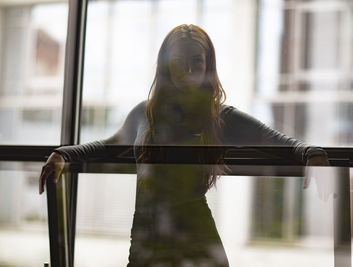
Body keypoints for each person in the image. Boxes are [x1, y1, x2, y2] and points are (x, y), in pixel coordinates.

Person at [39, 24, 329, 266]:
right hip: (146, 242)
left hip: (196, 244)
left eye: (196, 62)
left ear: (207, 65)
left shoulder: (219, 117)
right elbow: (107, 146)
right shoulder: (145, 114)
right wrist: (62, 155)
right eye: (179, 62)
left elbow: (277, 140)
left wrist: (312, 155)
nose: (188, 70)